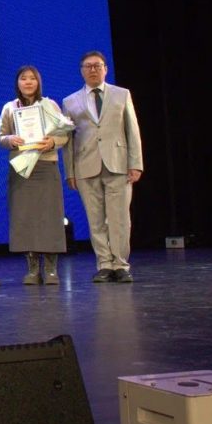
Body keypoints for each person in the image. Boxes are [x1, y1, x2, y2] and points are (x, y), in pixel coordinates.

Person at [62, 51, 143, 283]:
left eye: (97, 66)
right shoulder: (70, 101)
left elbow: (132, 130)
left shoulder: (122, 94)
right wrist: (70, 172)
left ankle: (121, 264)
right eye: (88, 66)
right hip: (85, 166)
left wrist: (136, 163)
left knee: (119, 219)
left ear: (105, 69)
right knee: (95, 219)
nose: (93, 70)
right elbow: (68, 141)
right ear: (81, 71)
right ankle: (105, 264)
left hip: (118, 164)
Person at [0, 66, 69, 285]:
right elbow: (1, 136)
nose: (28, 82)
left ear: (38, 82)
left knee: (50, 216)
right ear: (17, 83)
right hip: (21, 168)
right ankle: (32, 269)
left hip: (46, 166)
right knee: (25, 217)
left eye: (32, 78)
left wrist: (53, 142)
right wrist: (10, 140)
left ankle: (50, 269)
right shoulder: (10, 107)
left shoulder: (49, 105)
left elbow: (64, 135)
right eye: (23, 78)